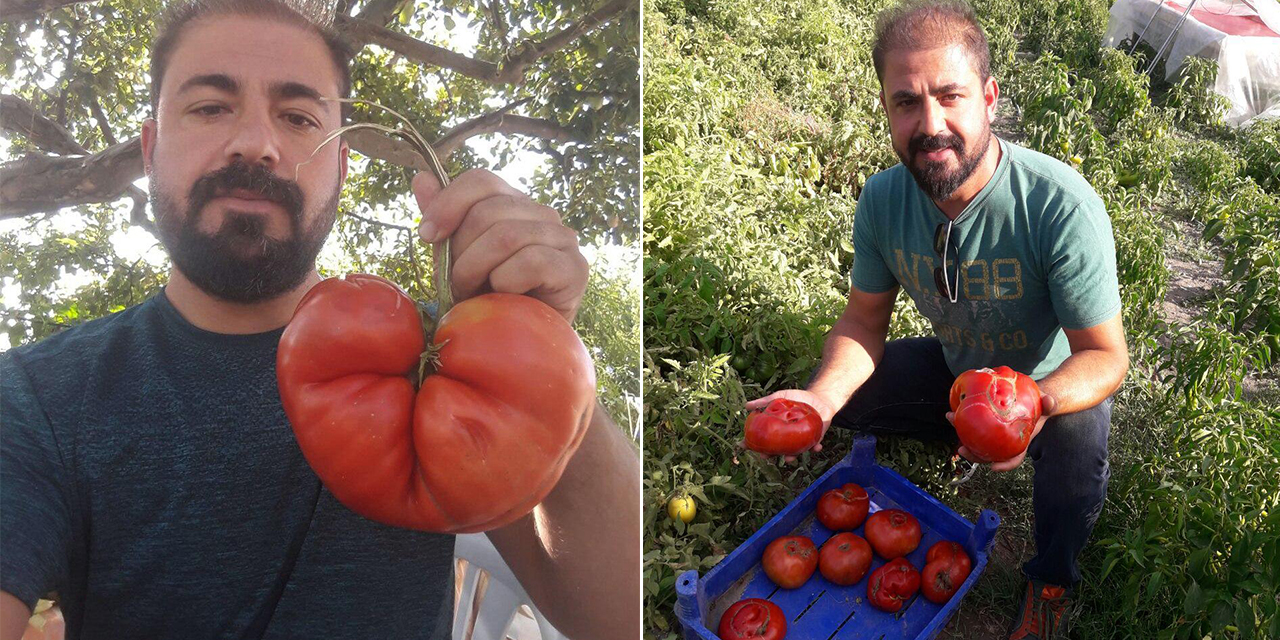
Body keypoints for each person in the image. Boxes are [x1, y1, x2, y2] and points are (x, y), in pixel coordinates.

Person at [0, 1, 640, 638]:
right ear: (150, 149)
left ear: (340, 165)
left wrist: (543, 344)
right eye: (209, 107)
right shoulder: (37, 397)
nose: (255, 143)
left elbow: (617, 616)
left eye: (299, 116)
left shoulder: (452, 355)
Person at [747, 2, 1128, 638]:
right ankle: (957, 440)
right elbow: (864, 322)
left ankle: (1052, 577)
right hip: (958, 368)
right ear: (885, 109)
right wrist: (818, 399)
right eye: (906, 102)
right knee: (849, 398)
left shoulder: (1059, 205)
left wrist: (1031, 407)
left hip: (1047, 380)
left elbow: (1106, 355)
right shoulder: (883, 200)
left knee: (1079, 442)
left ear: (989, 97)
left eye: (950, 96)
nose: (931, 124)